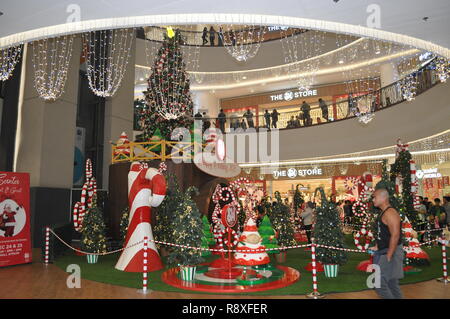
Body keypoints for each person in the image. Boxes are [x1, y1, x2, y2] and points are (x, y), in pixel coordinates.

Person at [370, 187, 404, 299]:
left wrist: (389, 254)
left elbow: (395, 235)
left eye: (374, 197)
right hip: (386, 250)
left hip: (391, 252)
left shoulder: (390, 212)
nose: (373, 199)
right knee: (391, 283)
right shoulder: (384, 212)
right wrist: (377, 246)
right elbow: (384, 233)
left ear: (383, 197)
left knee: (378, 283)